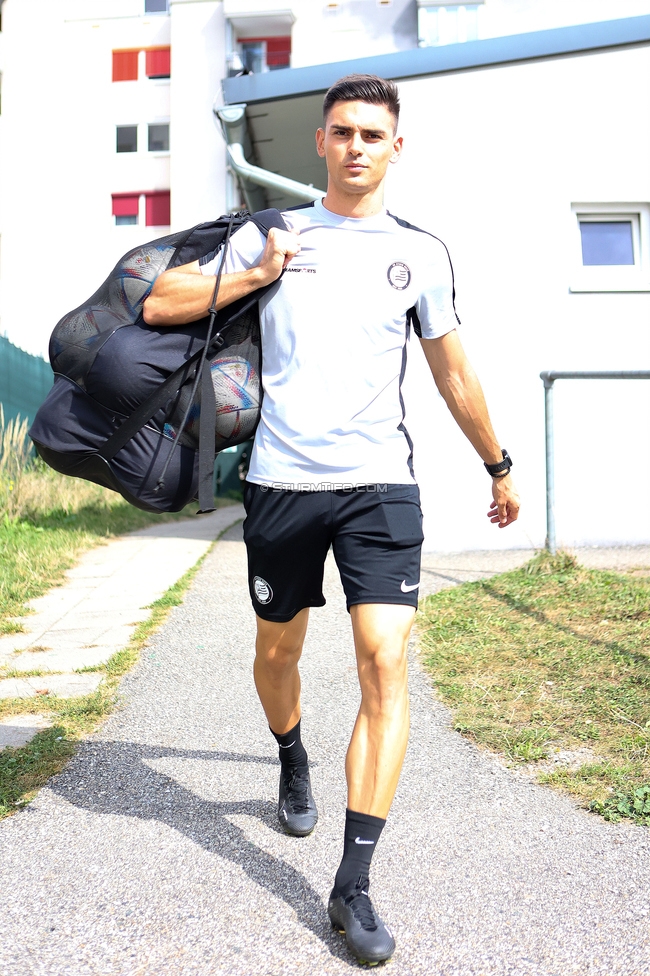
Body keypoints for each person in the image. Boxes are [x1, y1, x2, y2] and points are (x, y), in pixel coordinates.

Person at [143, 73, 520, 965]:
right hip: (280, 486)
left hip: (379, 485)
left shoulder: (422, 255)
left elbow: (453, 374)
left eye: (373, 134)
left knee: (385, 661)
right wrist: (256, 273)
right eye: (343, 132)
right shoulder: (272, 233)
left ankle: (352, 885)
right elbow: (161, 306)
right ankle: (291, 753)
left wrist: (496, 464)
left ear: (397, 147)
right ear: (321, 143)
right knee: (278, 651)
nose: (356, 147)